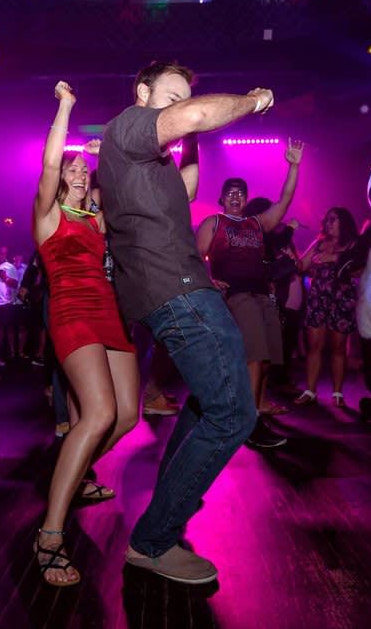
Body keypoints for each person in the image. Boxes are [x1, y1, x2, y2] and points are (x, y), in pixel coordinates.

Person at [97, 61, 271, 584]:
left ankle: (174, 497)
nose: (180, 106)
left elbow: (188, 189)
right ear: (142, 92)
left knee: (208, 402)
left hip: (170, 290)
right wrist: (253, 100)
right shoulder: (129, 123)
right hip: (178, 290)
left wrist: (189, 139)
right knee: (234, 413)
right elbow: (194, 114)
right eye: (169, 96)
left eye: (183, 97)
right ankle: (154, 541)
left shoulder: (150, 161)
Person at [31, 81, 139, 588]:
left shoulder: (96, 217)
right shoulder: (46, 214)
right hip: (71, 310)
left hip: (108, 311)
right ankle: (50, 534)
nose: (77, 172)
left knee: (127, 415)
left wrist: (108, 156)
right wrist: (66, 109)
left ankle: (69, 472)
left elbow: (127, 191)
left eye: (83, 168)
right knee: (97, 414)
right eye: (71, 168)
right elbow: (50, 163)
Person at [196, 144, 303, 448]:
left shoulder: (257, 223)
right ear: (221, 198)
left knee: (267, 360)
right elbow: (194, 257)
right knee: (255, 356)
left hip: (262, 295)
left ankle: (255, 412)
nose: (236, 196)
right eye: (230, 192)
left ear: (246, 199)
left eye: (240, 193)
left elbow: (284, 200)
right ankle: (249, 423)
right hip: (237, 295)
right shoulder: (214, 222)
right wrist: (208, 280)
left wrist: (294, 167)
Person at [293, 207, 359, 407]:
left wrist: (334, 258)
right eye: (327, 219)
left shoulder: (353, 244)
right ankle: (310, 391)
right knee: (314, 346)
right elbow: (301, 266)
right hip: (318, 300)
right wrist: (289, 251)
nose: (328, 223)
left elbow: (359, 268)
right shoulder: (319, 243)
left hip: (341, 300)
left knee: (338, 348)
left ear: (344, 222)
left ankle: (337, 393)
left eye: (333, 219)